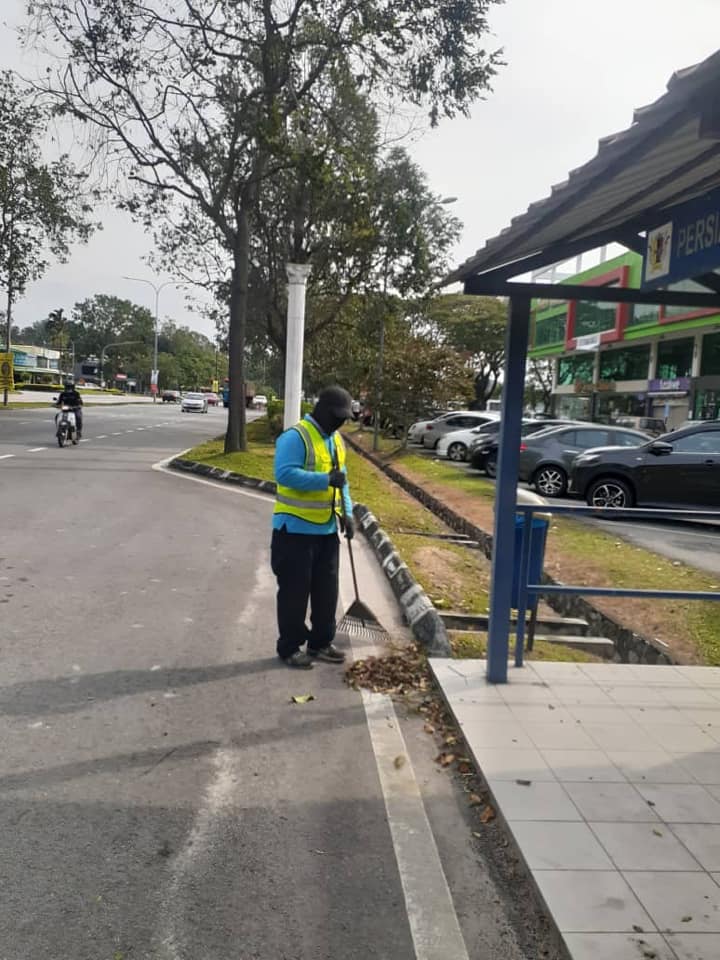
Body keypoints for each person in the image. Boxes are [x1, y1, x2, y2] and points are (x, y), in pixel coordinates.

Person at [271, 385, 354, 669]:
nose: (342, 422)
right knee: (294, 594)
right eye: (338, 416)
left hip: (327, 531)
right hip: (294, 533)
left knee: (326, 593)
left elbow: (342, 480)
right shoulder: (296, 437)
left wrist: (349, 514)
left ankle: (320, 643)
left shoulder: (336, 440)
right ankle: (290, 647)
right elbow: (284, 474)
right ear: (323, 411)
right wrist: (324, 480)